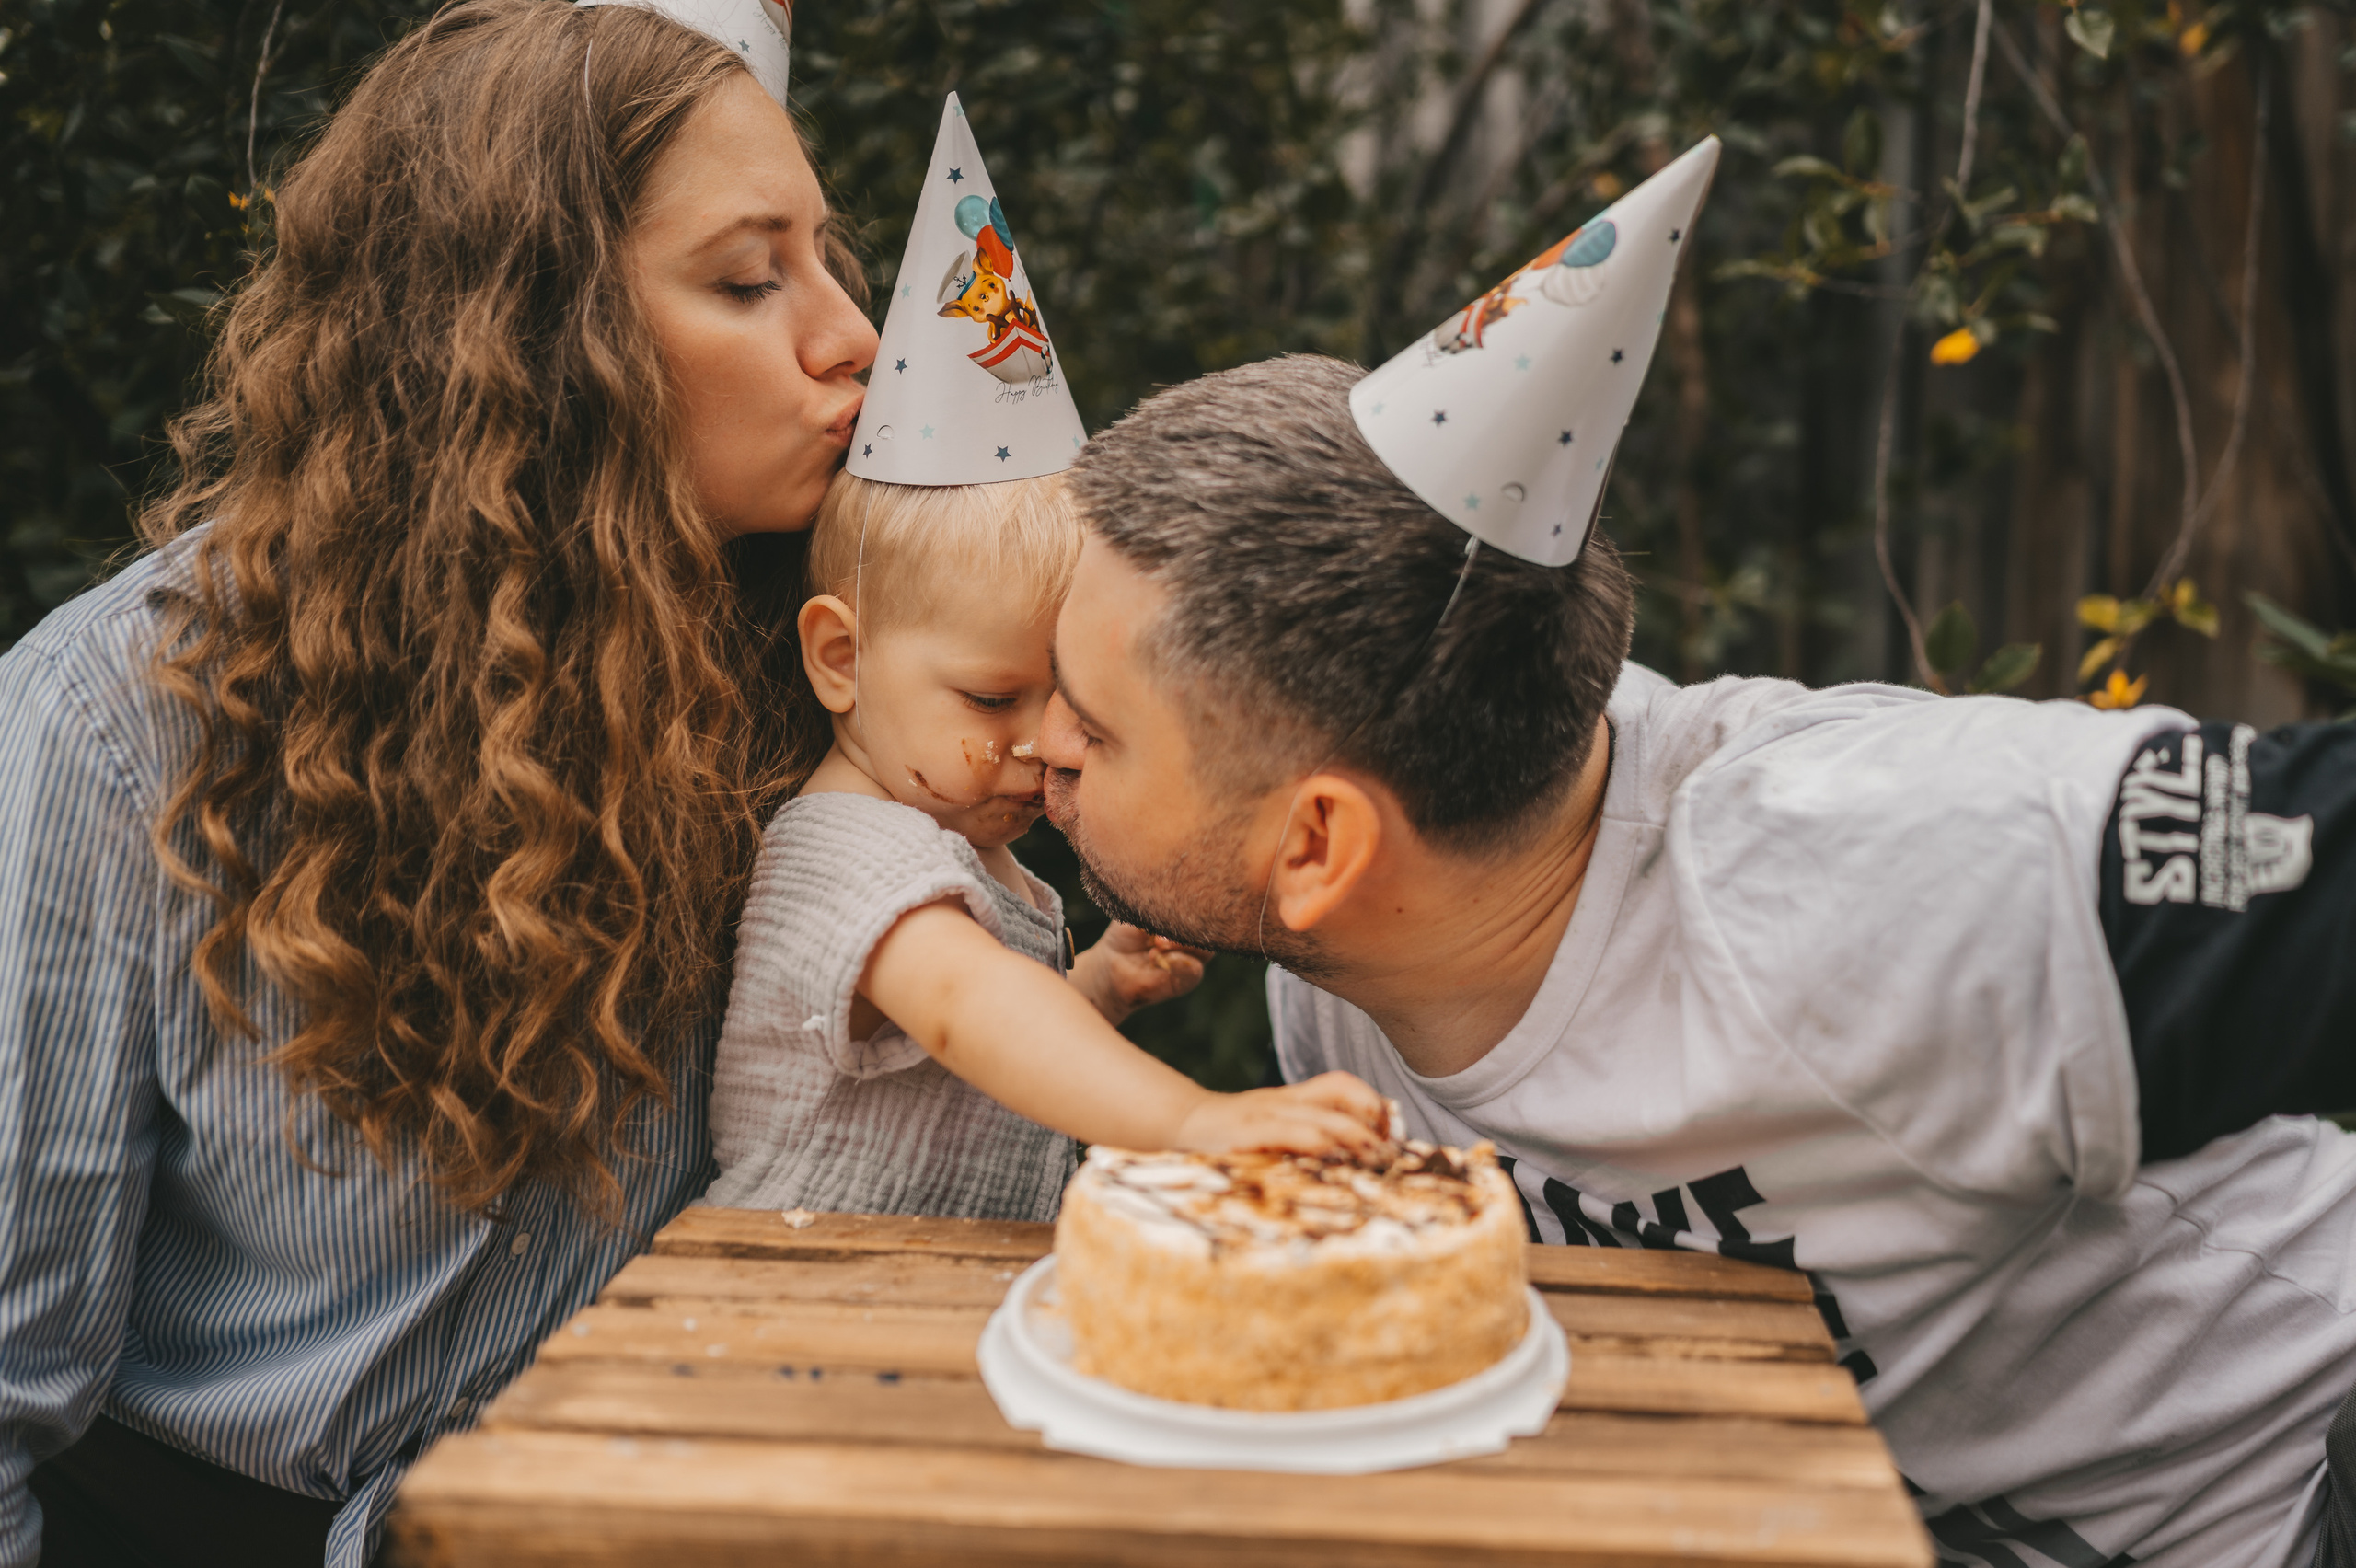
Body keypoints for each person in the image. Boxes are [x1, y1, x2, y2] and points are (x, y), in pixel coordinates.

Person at [1036, 347, 2356, 1568]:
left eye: (1092, 726)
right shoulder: (1334, 1002)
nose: (1040, 741)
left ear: (1319, 844)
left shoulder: (1881, 871)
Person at [0, 2, 879, 1562]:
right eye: (751, 277)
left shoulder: (829, 675)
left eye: (830, 260)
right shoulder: (115, 720)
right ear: (539, 341)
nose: (849, 337)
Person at [702, 467, 1386, 1219]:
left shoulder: (955, 838)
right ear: (841, 658)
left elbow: (982, 1070)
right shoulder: (840, 847)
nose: (1043, 744)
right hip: (793, 1290)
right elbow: (966, 1004)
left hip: (913, 1289)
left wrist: (1097, 987)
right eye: (992, 699)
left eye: (1079, 708)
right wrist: (1190, 1121)